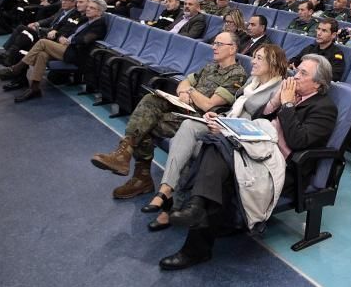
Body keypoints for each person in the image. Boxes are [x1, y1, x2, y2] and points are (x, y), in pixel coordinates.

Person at [160, 54, 338, 270]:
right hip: (259, 153)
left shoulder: (324, 108)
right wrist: (231, 122)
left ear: (318, 83)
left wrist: (288, 104)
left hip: (282, 168)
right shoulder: (293, 94)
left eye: (303, 73)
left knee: (215, 150)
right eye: (296, 70)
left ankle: (196, 221)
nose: (295, 76)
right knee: (216, 147)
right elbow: (259, 118)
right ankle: (199, 215)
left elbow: (299, 141)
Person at [143, 44, 288, 231]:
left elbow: (262, 126)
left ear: (273, 62)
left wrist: (226, 128)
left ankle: (172, 206)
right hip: (227, 124)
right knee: (188, 126)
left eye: (259, 58)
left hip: (242, 140)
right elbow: (236, 109)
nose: (253, 61)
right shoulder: (252, 81)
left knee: (192, 148)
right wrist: (220, 117)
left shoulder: (279, 89)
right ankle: (166, 188)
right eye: (254, 57)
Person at [90, 31, 248, 199]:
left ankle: (139, 176)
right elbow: (184, 82)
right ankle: (125, 154)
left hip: (198, 119)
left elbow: (208, 104)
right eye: (214, 43)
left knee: (147, 126)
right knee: (151, 98)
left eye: (219, 44)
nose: (213, 47)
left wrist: (190, 91)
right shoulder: (210, 67)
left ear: (232, 49)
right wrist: (184, 91)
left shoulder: (237, 74)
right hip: (183, 107)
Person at [0, 0, 108, 102]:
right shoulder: (85, 20)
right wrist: (62, 37)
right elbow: (70, 31)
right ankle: (34, 89)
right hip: (66, 47)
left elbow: (86, 40)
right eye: (88, 7)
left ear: (99, 12)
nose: (87, 9)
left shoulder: (100, 24)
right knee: (42, 55)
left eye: (92, 8)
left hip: (76, 53)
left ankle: (15, 69)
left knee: (42, 42)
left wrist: (69, 41)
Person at [0, 0, 82, 68]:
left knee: (24, 32)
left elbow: (66, 30)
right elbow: (51, 19)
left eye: (66, 0)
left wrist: (48, 30)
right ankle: (6, 55)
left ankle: (6, 56)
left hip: (51, 36)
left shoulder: (75, 14)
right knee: (22, 31)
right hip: (47, 31)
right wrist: (37, 23)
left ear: (74, 3)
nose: (63, 2)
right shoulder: (62, 10)